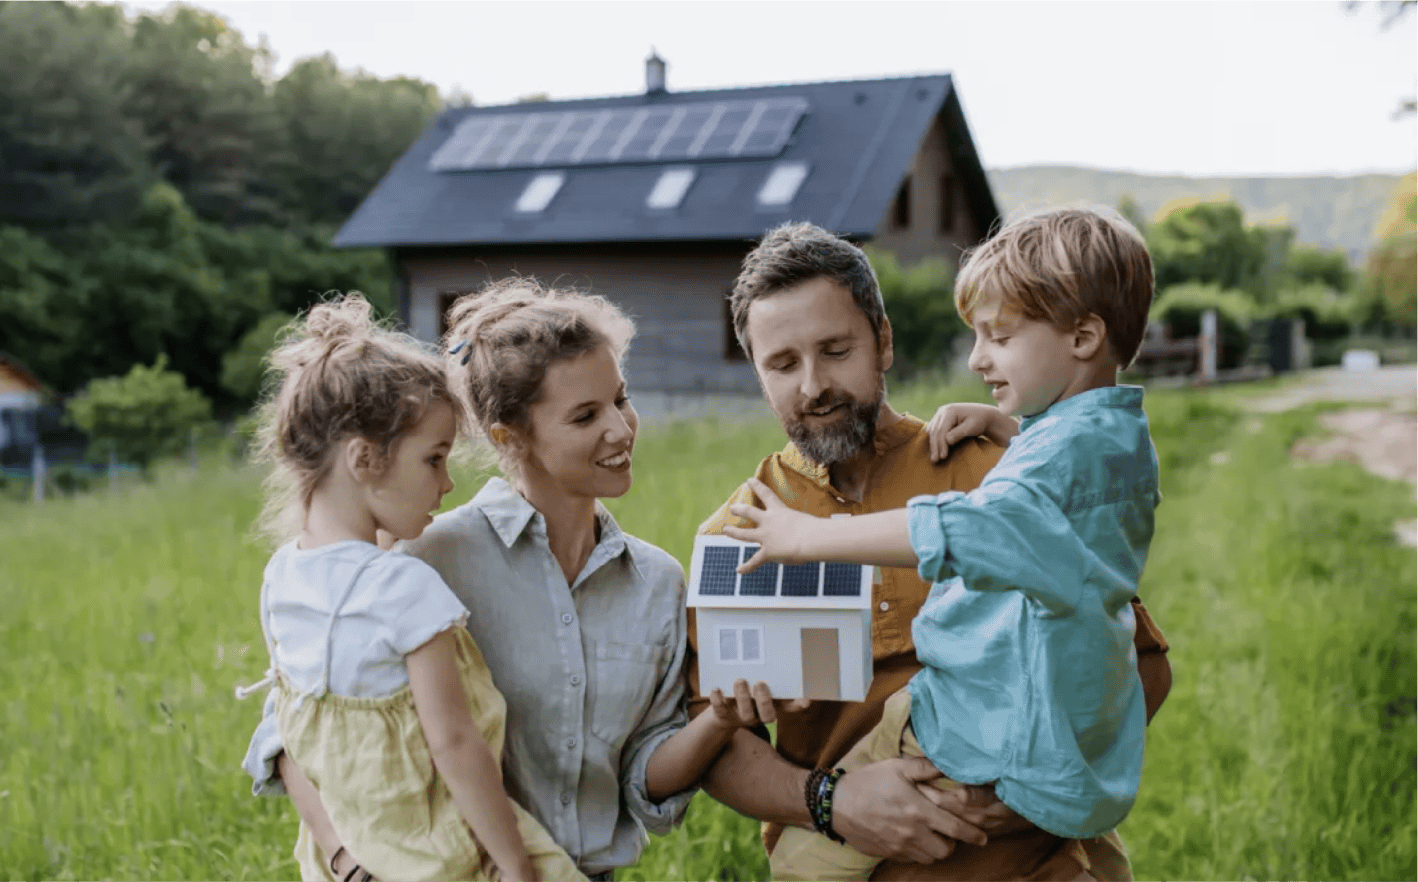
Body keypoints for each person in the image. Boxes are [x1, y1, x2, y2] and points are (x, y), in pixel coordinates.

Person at [690, 219, 1175, 881]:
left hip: (1035, 860)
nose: (813, 386)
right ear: (757, 372)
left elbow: (1132, 664)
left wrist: (1023, 795)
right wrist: (833, 802)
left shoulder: (996, 469)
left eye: (835, 350)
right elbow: (713, 747)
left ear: (883, 341)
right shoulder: (743, 534)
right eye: (782, 364)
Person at [244, 282, 748, 881]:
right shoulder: (420, 560)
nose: (621, 428)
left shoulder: (657, 583)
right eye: (586, 415)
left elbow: (642, 780)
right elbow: (301, 731)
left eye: (621, 398)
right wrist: (345, 859)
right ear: (511, 437)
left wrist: (721, 718)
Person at [238, 294, 579, 882]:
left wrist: (343, 858)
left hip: (346, 855)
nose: (447, 483)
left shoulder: (282, 579)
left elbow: (288, 737)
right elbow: (454, 745)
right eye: (434, 459)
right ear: (365, 459)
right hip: (442, 851)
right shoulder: (402, 587)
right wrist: (515, 865)